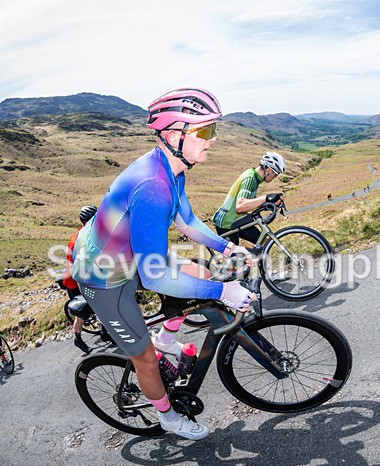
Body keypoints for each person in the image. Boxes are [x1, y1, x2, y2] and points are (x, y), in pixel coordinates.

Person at [71, 87, 255, 441]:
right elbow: (155, 276)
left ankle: (167, 340)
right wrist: (224, 290)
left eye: (213, 130)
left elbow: (186, 222)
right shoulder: (154, 185)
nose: (212, 140)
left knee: (197, 273)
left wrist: (226, 246)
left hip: (128, 253)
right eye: (205, 131)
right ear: (174, 135)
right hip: (103, 276)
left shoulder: (173, 170)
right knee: (145, 358)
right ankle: (169, 418)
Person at [63, 205, 111, 354]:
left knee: (103, 304)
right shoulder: (76, 240)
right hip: (75, 282)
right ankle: (77, 338)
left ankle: (105, 332)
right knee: (82, 313)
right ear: (85, 222)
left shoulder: (90, 234)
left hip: (85, 277)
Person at [212, 152, 286, 245]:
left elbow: (250, 203)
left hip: (238, 220)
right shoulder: (250, 179)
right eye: (276, 174)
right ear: (269, 170)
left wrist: (270, 204)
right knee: (235, 257)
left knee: (264, 243)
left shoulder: (255, 177)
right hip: (226, 224)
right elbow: (240, 206)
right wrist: (265, 198)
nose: (275, 177)